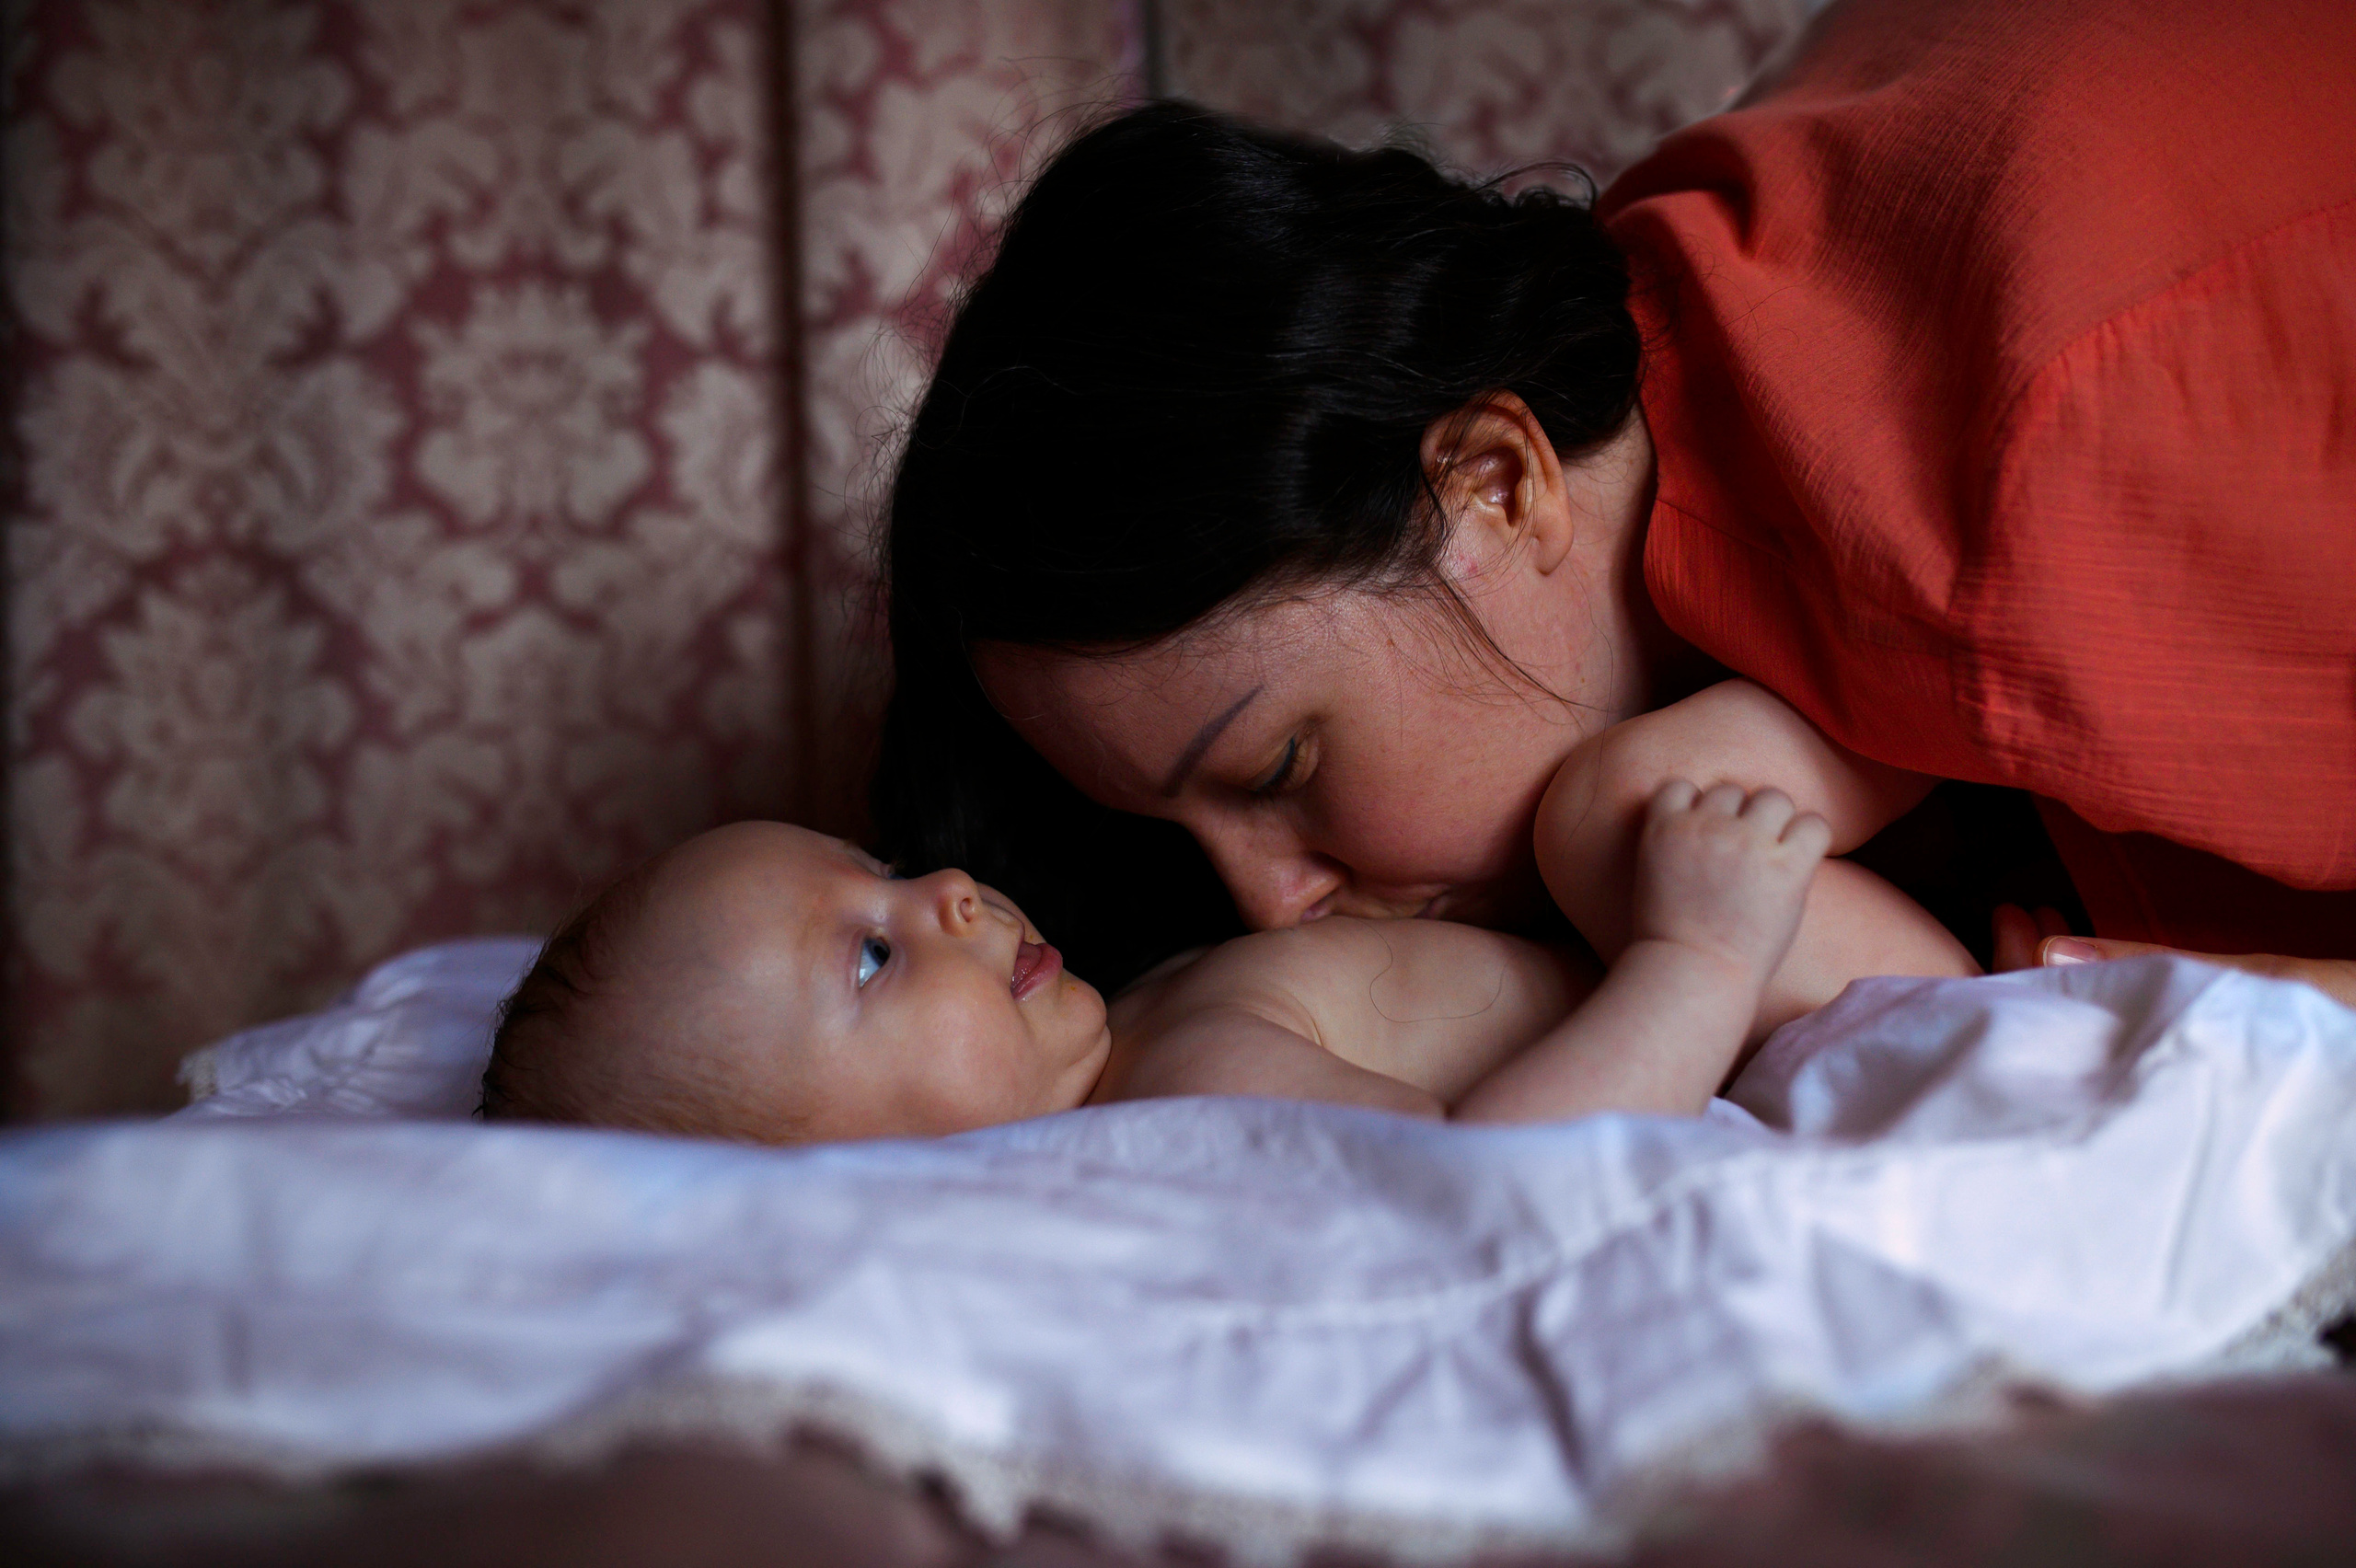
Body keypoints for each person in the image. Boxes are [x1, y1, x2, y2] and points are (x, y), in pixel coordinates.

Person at [872, 0, 2356, 1007]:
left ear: (1496, 483)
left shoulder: (2041, 455)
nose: (1276, 905)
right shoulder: (1678, 306)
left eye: (1277, 769)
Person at [480, 780, 1832, 1143]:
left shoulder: (1141, 1022)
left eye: (883, 875)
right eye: (874, 960)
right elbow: (1503, 1170)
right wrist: (1698, 953)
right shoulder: (1186, 1081)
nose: (947, 890)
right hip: (1753, 981)